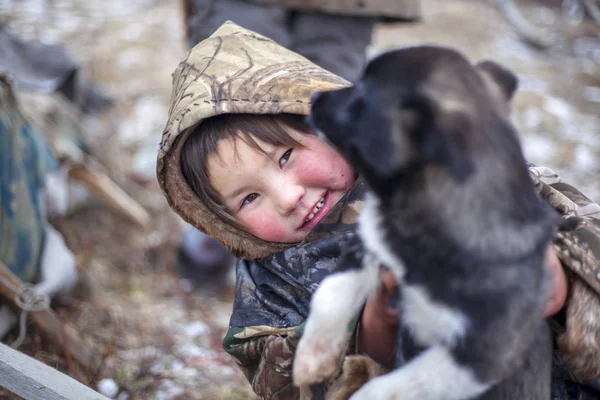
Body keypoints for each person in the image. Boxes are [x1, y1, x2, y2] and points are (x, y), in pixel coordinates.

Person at [157, 22, 600, 399]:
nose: (287, 197)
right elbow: (286, 385)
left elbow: (578, 217)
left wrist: (561, 267)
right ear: (222, 221)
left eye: (286, 157)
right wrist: (376, 323)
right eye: (248, 199)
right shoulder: (270, 284)